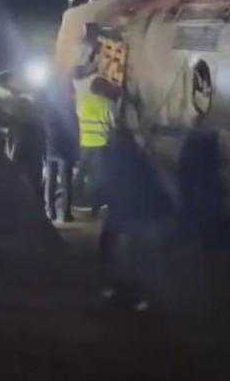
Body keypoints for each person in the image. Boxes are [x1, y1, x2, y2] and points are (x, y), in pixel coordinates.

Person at [98, 127, 174, 311]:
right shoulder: (142, 159)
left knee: (116, 250)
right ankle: (144, 296)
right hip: (142, 213)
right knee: (140, 255)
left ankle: (119, 290)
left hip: (129, 213)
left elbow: (108, 186)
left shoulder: (114, 159)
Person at [73, 56, 116, 218]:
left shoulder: (82, 102)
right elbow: (113, 123)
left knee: (81, 172)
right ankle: (94, 206)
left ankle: (72, 198)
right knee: (98, 176)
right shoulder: (107, 104)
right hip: (101, 144)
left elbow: (79, 117)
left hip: (85, 142)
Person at [40, 78, 78, 223]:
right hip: (65, 149)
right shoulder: (68, 110)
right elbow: (74, 130)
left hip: (51, 147)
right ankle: (66, 214)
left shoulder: (48, 109)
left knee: (50, 181)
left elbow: (44, 129)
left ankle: (50, 212)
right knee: (66, 182)